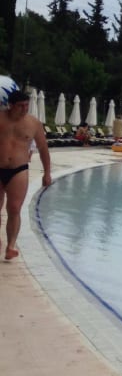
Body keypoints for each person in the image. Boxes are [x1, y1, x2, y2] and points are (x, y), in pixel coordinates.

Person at [0, 89, 52, 261]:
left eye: (26, 105)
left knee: (14, 208)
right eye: (20, 106)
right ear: (10, 105)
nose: (24, 109)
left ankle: (11, 246)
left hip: (19, 169)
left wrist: (47, 173)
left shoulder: (33, 123)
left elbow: (43, 148)